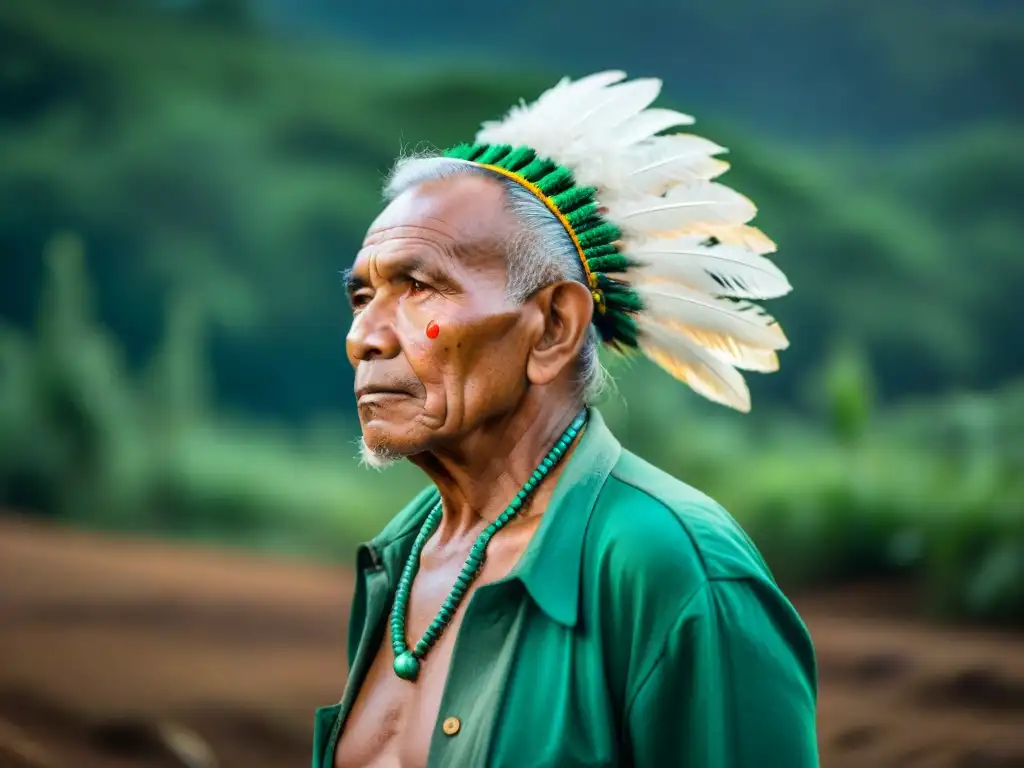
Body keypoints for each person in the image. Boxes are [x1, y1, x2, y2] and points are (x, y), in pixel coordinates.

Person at [313, 71, 819, 768]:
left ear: (552, 326)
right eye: (363, 295)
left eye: (419, 287)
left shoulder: (675, 570)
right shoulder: (397, 564)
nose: (363, 336)